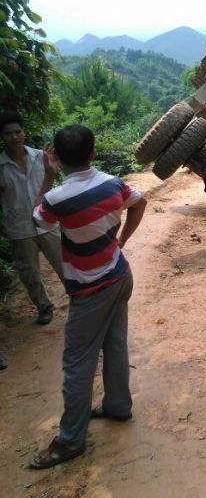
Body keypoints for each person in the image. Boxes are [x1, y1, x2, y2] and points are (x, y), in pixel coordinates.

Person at [29, 124, 147, 469]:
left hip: (90, 288)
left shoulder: (57, 198)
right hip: (119, 275)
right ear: (94, 154)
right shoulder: (113, 184)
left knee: (78, 363)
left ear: (58, 159)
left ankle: (70, 440)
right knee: (114, 344)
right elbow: (140, 203)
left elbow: (38, 219)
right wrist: (122, 239)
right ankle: (117, 407)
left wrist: (48, 178)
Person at [0, 112, 63, 325]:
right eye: (8, 133)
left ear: (24, 132)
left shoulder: (40, 156)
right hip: (19, 228)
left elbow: (49, 187)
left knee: (64, 263)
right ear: (2, 136)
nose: (14, 137)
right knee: (29, 273)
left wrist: (51, 174)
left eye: (18, 131)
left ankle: (81, 298)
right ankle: (44, 307)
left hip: (47, 222)